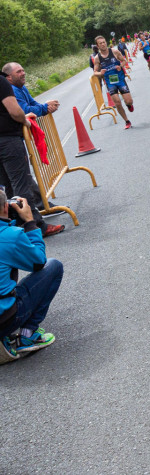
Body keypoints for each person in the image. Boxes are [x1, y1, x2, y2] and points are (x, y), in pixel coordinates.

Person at [0, 192, 63, 359]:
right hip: (4, 319)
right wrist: (29, 222)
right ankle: (28, 335)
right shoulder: (10, 236)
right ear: (6, 206)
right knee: (54, 266)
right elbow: (38, 262)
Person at [0, 73, 63, 237]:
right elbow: (15, 111)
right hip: (8, 141)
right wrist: (26, 121)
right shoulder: (1, 82)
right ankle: (35, 226)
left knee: (5, 187)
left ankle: (16, 227)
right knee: (21, 185)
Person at [93, 35, 134, 129]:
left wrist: (121, 66)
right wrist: (100, 73)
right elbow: (95, 72)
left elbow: (124, 61)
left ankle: (129, 105)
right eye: (100, 43)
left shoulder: (114, 52)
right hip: (110, 83)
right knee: (117, 103)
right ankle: (127, 121)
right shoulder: (97, 58)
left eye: (104, 42)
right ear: (97, 46)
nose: (103, 44)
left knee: (129, 101)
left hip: (120, 80)